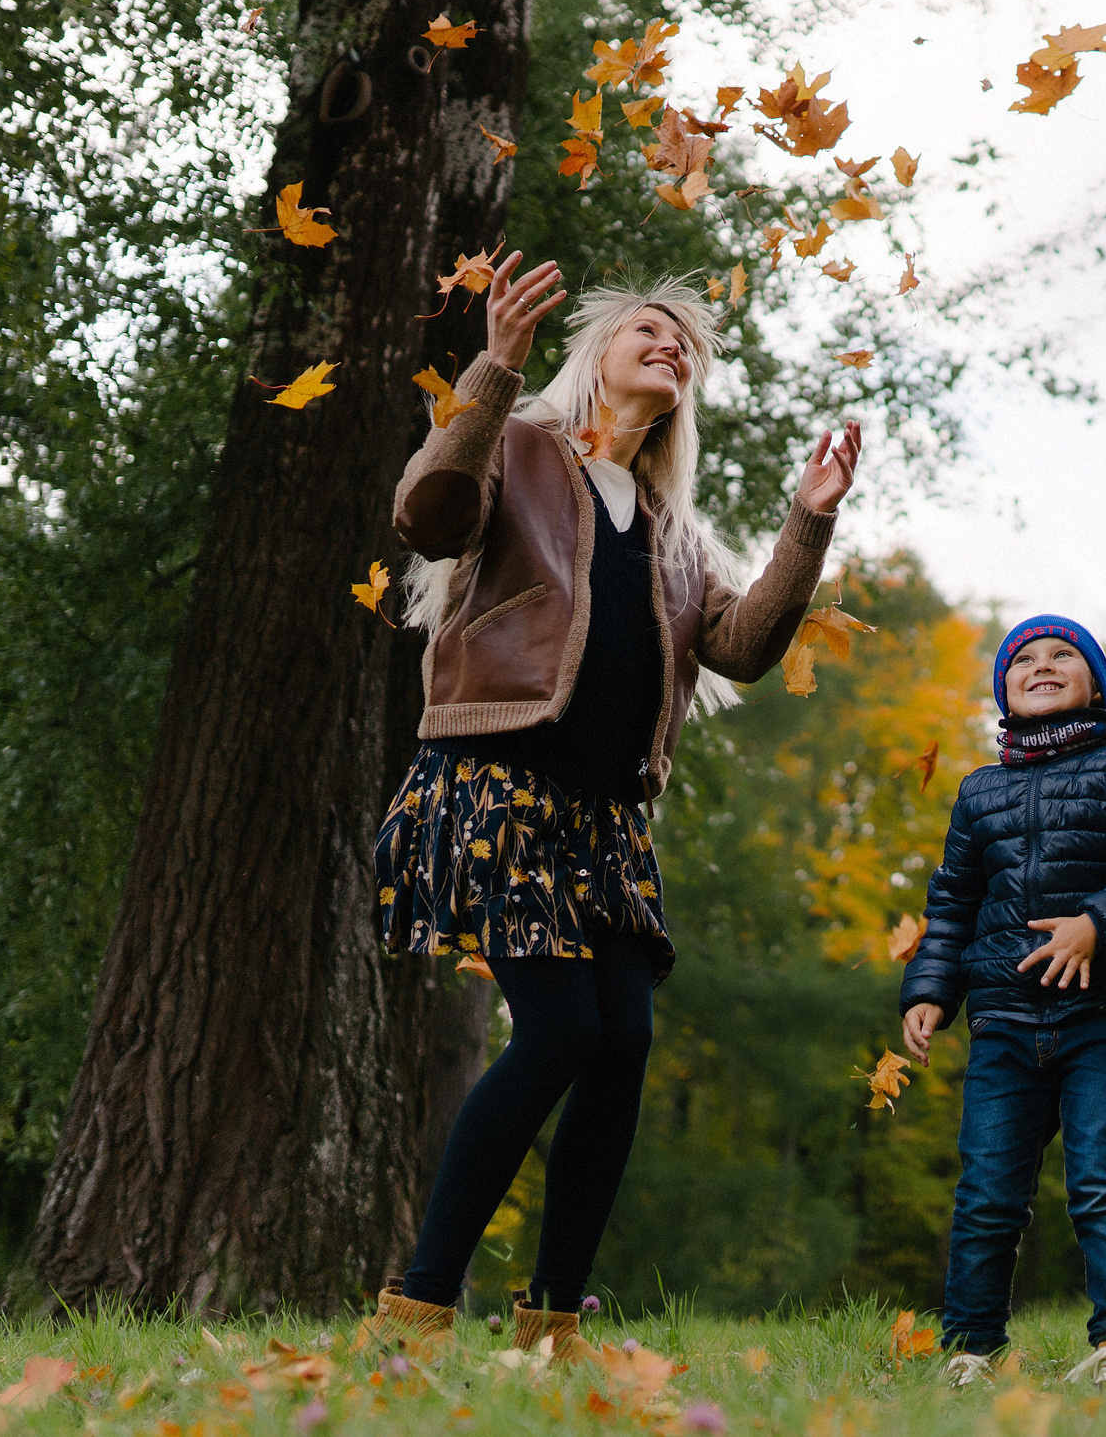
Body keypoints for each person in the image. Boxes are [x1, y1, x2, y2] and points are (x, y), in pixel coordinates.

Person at [364, 250, 861, 1356]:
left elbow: (740, 647)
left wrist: (807, 525)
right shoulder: (524, 449)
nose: (667, 346)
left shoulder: (674, 535)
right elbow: (430, 515)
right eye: (647, 331)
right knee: (558, 1032)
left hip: (604, 823)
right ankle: (418, 1311)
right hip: (496, 785)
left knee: (622, 1043)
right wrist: (492, 373)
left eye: (681, 344)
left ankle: (552, 1325)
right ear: (595, 356)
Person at [898, 618, 1106, 1386]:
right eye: (1022, 659)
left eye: (1064, 654)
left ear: (1095, 682)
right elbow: (955, 900)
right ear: (1002, 689)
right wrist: (932, 988)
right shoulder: (979, 791)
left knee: (1104, 1182)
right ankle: (970, 1348)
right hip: (1002, 1019)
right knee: (988, 1192)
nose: (1042, 664)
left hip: (1104, 1015)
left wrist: (1096, 922)